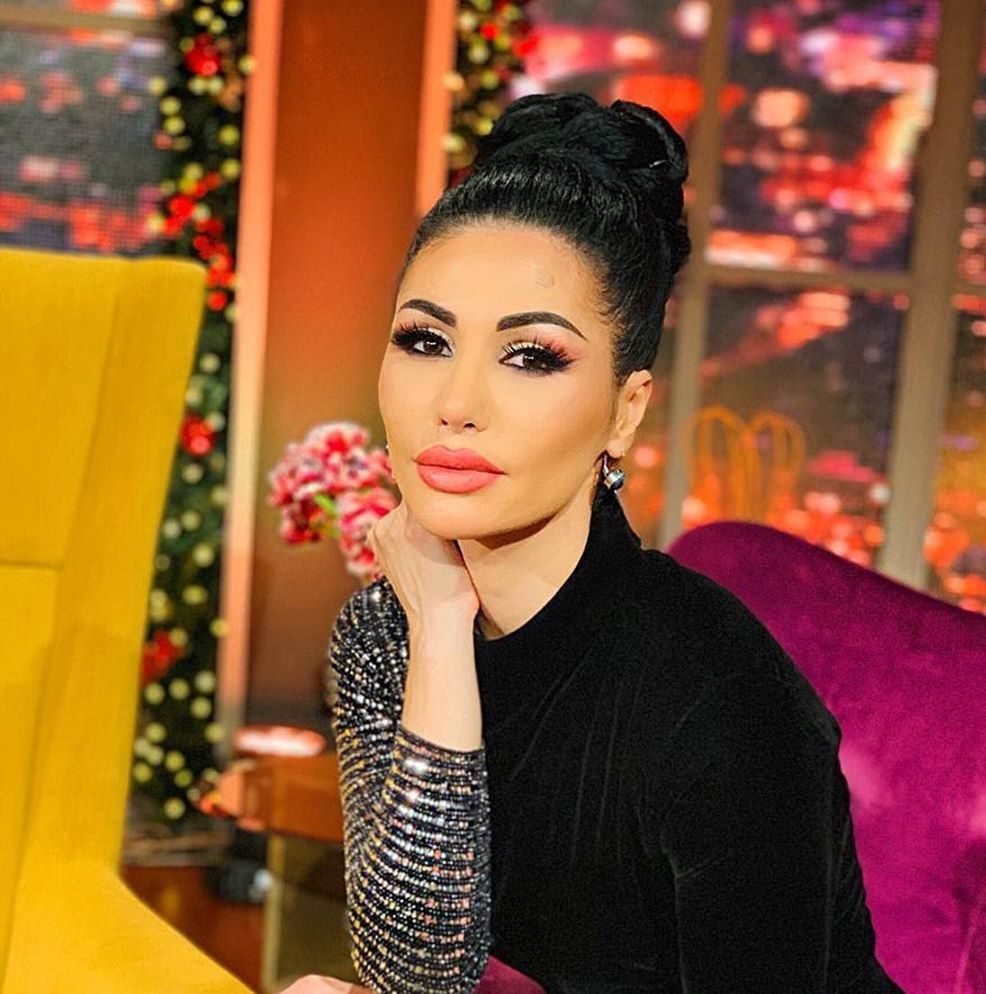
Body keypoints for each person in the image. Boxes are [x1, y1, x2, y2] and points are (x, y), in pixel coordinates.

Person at [287, 92, 905, 994]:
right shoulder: (389, 632)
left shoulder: (720, 703)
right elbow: (411, 975)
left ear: (625, 410)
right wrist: (443, 635)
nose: (456, 403)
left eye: (531, 356)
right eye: (424, 340)